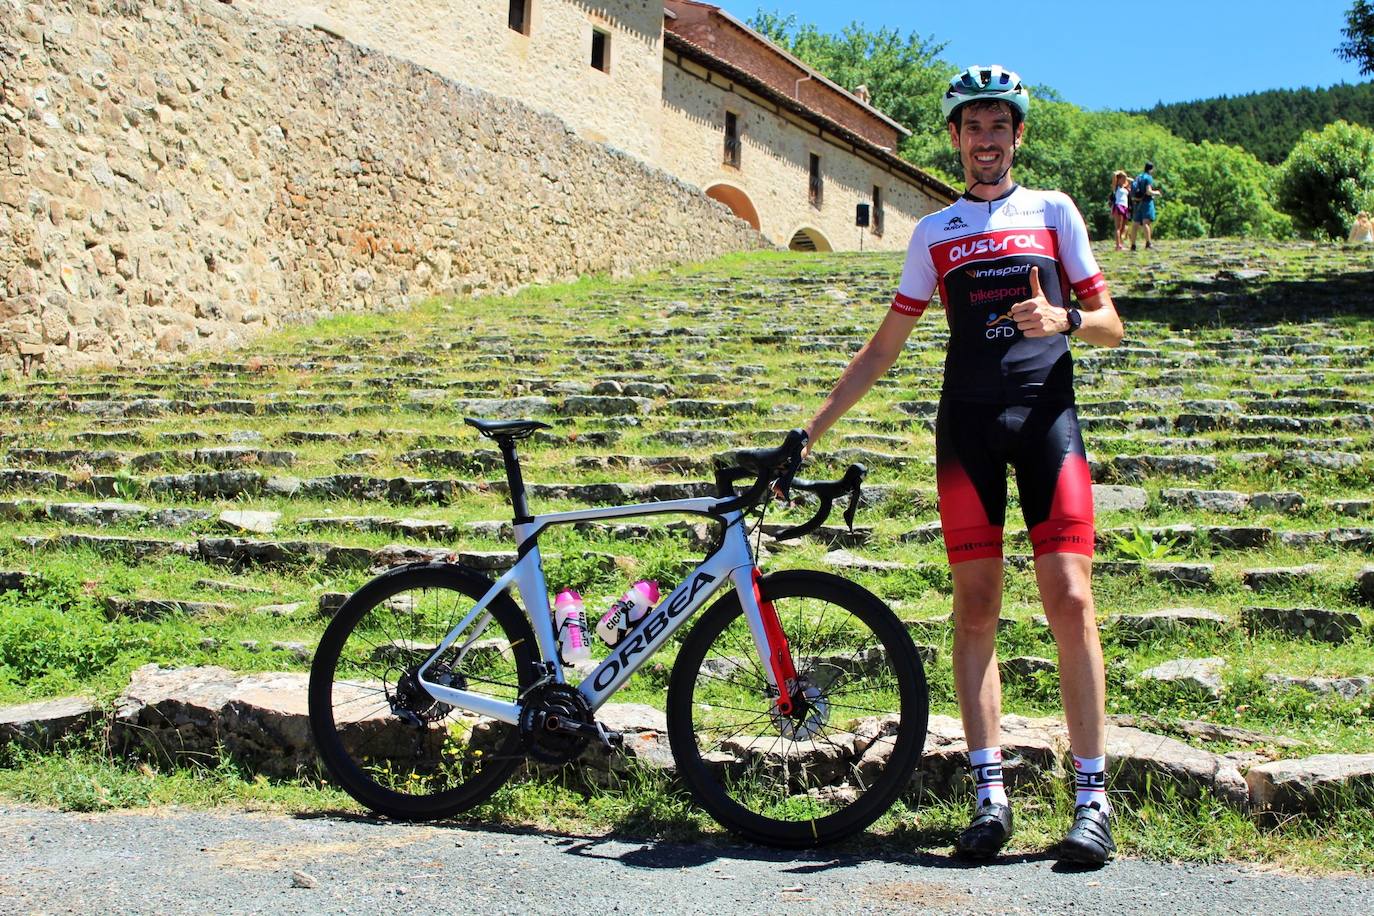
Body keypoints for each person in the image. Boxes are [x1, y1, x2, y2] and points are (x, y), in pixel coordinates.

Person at [803, 65, 1124, 865]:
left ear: (1018, 135)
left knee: (1071, 596)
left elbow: (1112, 322)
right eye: (972, 126)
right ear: (955, 137)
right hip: (968, 427)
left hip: (1047, 418)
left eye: (999, 126)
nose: (987, 140)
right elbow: (886, 344)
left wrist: (1065, 318)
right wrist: (812, 428)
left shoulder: (1053, 212)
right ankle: (990, 793)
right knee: (975, 604)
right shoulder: (933, 232)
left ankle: (1092, 799)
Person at [1128, 162, 1161, 251]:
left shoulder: (1139, 176)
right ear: (1151, 169)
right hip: (1146, 202)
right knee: (1146, 223)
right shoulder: (1148, 178)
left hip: (1137, 202)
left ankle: (1133, 245)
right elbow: (1148, 191)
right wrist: (1157, 193)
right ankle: (1148, 243)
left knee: (1135, 224)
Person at [1111, 171, 1131, 250]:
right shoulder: (1116, 187)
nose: (1124, 180)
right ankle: (1117, 245)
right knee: (1118, 227)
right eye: (1122, 178)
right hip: (1118, 205)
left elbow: (1132, 181)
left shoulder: (1125, 187)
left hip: (1125, 207)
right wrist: (1119, 173)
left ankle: (1120, 243)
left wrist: (1126, 178)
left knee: (1123, 227)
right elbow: (1114, 175)